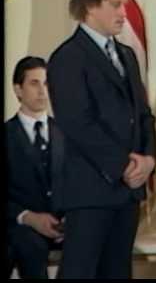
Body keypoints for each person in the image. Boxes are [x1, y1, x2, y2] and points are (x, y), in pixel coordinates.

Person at [47, 0, 156, 278]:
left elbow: (144, 115)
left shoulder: (127, 56)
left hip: (128, 192)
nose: (124, 13)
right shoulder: (68, 58)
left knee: (117, 272)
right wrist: (123, 165)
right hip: (91, 191)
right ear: (90, 6)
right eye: (116, 5)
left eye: (124, 4)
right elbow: (77, 123)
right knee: (80, 272)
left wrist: (148, 160)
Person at [6, 56, 65, 278]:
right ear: (18, 89)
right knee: (28, 244)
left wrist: (70, 218)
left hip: (64, 227)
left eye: (46, 83)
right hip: (22, 228)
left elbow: (78, 184)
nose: (42, 91)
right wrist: (28, 217)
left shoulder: (66, 134)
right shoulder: (8, 135)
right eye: (34, 83)